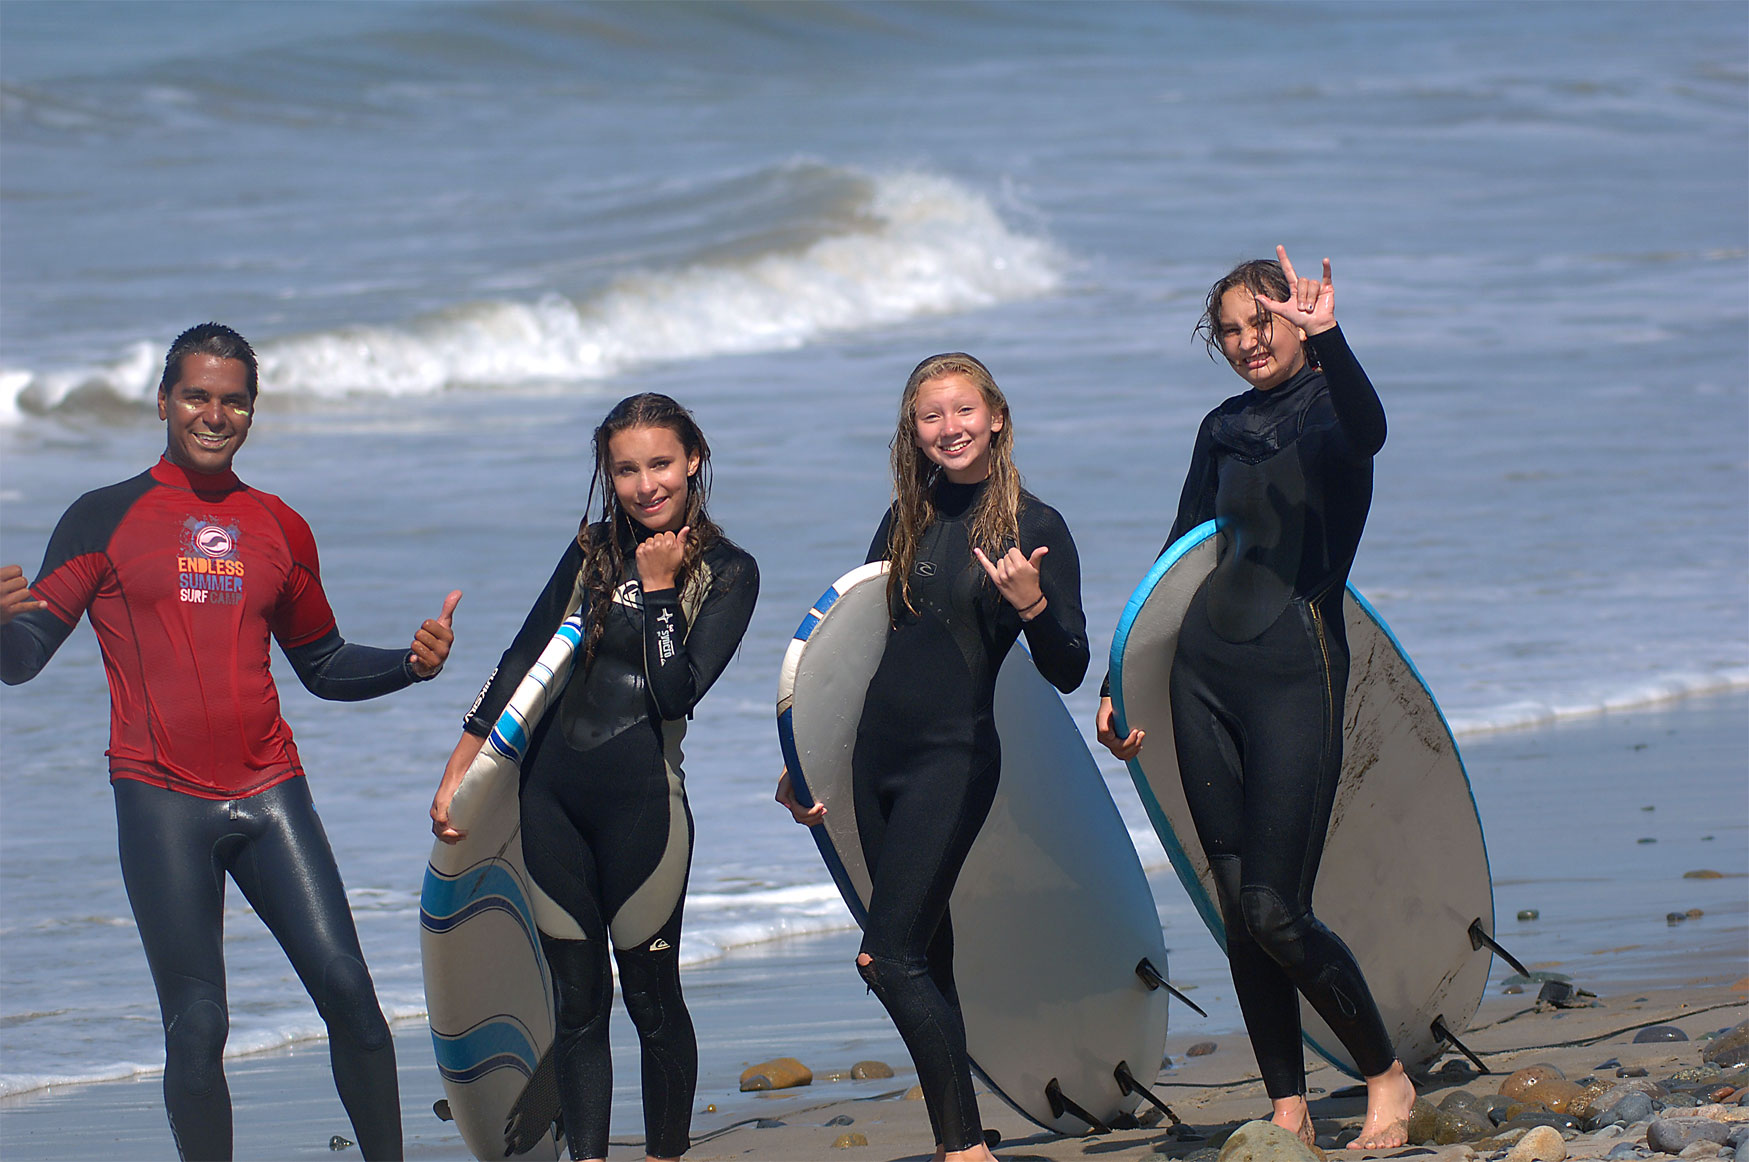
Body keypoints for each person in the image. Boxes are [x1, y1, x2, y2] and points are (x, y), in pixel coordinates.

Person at [0, 323, 461, 1162]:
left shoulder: (277, 525)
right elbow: (23, 660)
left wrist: (410, 665)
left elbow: (321, 662)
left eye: (233, 399)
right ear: (165, 401)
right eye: (197, 396)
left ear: (253, 409)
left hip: (271, 788)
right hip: (159, 798)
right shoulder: (102, 518)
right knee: (198, 1024)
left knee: (352, 994)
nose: (214, 414)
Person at [1094, 248, 1416, 1150]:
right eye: (1229, 330)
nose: (1244, 343)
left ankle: (1384, 1077)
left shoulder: (1330, 414)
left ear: (1295, 321)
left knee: (1278, 905)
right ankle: (1287, 1105)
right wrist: (1119, 678)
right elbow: (1176, 558)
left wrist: (1333, 338)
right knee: (1239, 909)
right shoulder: (1220, 427)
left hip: (1295, 670)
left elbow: (1372, 431)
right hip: (1200, 675)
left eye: (1259, 323)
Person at [777, 353, 1089, 1162]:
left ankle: (963, 1153)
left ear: (994, 418)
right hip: (872, 758)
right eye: (929, 416)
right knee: (927, 956)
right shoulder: (904, 518)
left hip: (950, 762)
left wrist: (1033, 607)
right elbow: (860, 646)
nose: (948, 429)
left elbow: (1067, 668)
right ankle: (963, 1137)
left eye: (961, 412)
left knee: (889, 956)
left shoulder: (1035, 527)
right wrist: (804, 752)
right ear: (912, 432)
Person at [431, 392, 757, 1162]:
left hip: (642, 807)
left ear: (693, 461)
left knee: (650, 999)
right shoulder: (590, 552)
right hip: (550, 798)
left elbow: (676, 692)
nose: (646, 485)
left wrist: (658, 590)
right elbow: (521, 659)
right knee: (577, 1007)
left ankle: (665, 1155)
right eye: (626, 470)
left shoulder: (728, 571)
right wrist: (459, 771)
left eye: (661, 465)